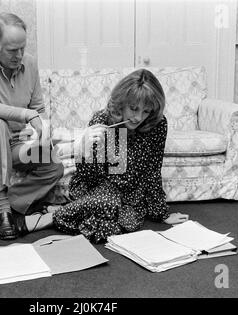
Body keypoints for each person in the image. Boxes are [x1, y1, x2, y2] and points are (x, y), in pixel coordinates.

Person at [25, 69, 189, 243]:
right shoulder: (102, 120)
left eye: (146, 111)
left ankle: (57, 211)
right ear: (122, 103)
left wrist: (161, 213)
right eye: (133, 109)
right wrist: (88, 148)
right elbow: (90, 178)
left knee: (119, 227)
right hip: (99, 187)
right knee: (108, 201)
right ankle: (45, 220)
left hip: (132, 193)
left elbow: (152, 171)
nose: (138, 117)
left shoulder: (158, 125)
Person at [0, 13, 64, 240]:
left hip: (16, 142)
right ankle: (2, 210)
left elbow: (38, 108)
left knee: (53, 166)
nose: (19, 56)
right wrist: (28, 115)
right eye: (12, 50)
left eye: (22, 49)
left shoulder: (30, 63)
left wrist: (43, 131)